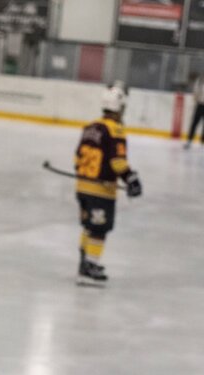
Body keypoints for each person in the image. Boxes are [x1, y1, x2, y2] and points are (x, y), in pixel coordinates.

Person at [73, 84, 142, 285]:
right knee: (99, 229)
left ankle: (84, 262)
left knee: (88, 226)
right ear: (118, 107)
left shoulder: (90, 127)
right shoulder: (115, 130)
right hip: (100, 192)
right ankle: (89, 268)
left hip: (82, 188)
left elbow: (77, 158)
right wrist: (131, 179)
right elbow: (117, 162)